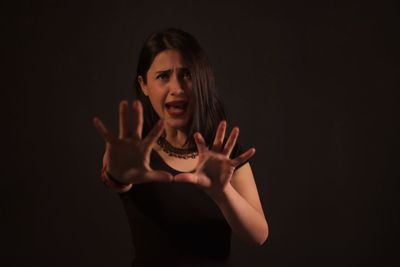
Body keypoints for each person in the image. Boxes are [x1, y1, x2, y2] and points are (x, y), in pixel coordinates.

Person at [93, 28, 268, 267]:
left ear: (201, 79)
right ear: (144, 85)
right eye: (163, 76)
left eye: (186, 75)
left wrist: (222, 193)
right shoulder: (135, 153)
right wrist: (116, 175)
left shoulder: (225, 154)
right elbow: (115, 174)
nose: (177, 88)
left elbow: (258, 236)